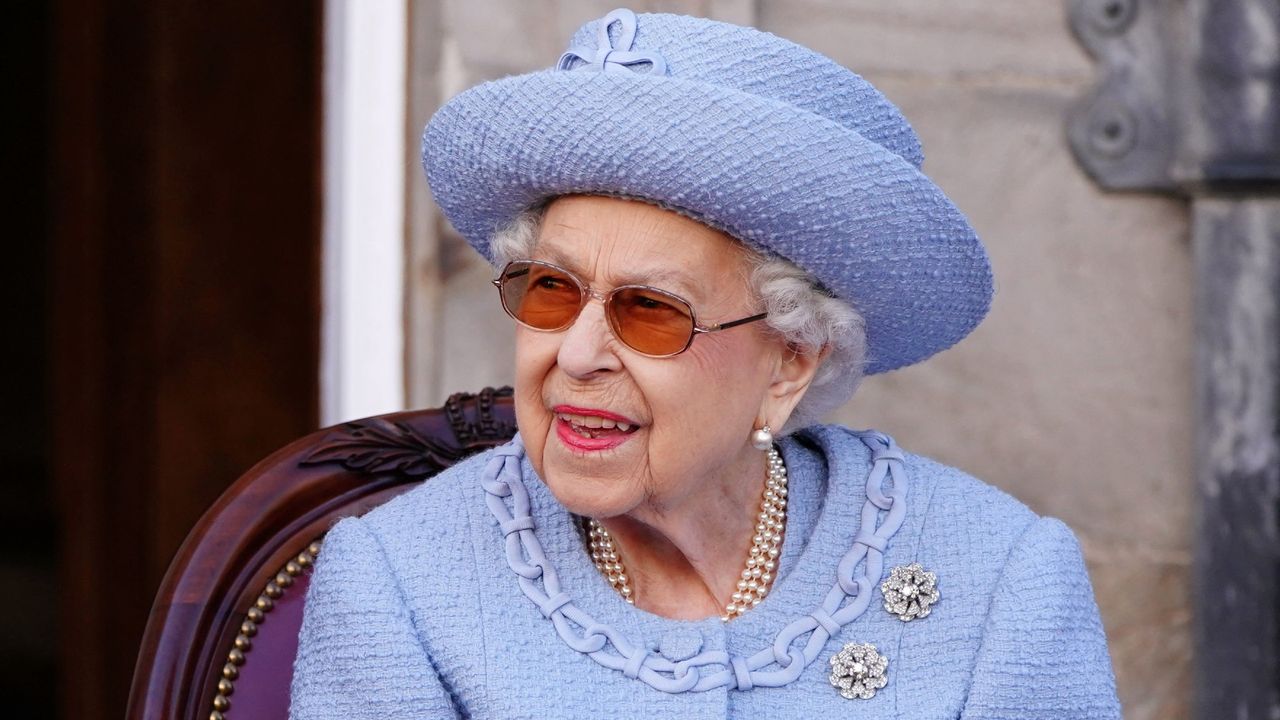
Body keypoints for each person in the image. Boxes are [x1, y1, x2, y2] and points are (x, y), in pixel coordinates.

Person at [290, 8, 1122, 719]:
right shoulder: (398, 583)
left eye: (649, 310)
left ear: (790, 361)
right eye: (551, 290)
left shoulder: (1003, 578)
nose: (575, 355)